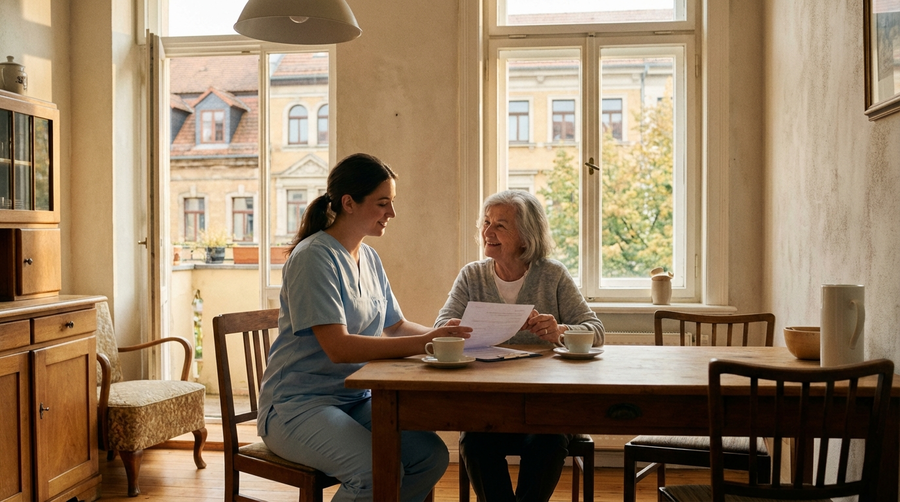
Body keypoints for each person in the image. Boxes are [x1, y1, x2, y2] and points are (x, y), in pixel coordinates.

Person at [257, 153, 472, 502]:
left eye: (392, 203)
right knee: (371, 472)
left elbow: (396, 326)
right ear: (349, 203)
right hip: (297, 406)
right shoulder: (313, 257)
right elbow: (339, 348)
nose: (392, 213)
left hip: (355, 399)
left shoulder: (368, 257)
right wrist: (426, 343)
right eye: (383, 203)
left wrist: (448, 338)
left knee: (429, 457)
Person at [435, 189, 604, 502]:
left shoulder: (552, 275)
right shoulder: (472, 276)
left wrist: (560, 331)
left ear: (527, 237)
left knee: (549, 443)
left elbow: (596, 330)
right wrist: (456, 330)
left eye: (501, 225)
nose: (488, 232)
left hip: (547, 403)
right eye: (486, 223)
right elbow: (439, 329)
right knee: (474, 444)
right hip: (490, 403)